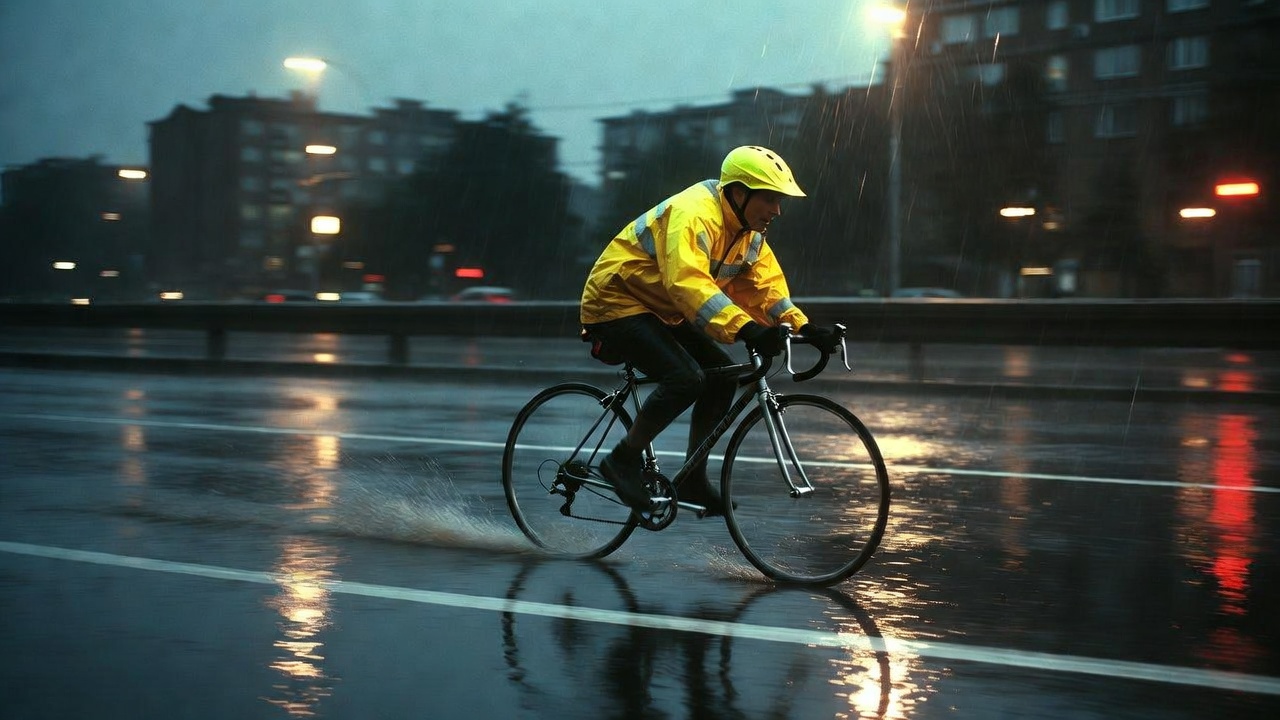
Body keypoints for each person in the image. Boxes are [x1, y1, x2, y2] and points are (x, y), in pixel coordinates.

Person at [580, 145, 839, 516]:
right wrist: (747, 329)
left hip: (661, 307)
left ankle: (692, 480)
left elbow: (765, 289)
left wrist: (805, 327)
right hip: (616, 301)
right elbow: (688, 283)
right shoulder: (694, 213)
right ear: (738, 192)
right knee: (686, 379)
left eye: (780, 200)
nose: (777, 210)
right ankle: (621, 461)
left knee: (720, 378)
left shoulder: (749, 233)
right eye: (770, 199)